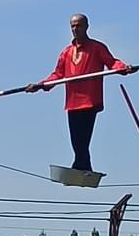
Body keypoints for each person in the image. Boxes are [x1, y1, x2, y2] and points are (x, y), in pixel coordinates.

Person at [26, 13, 133, 172]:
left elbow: (112, 63)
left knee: (82, 140)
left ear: (86, 27)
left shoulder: (97, 48)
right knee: (76, 141)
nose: (75, 29)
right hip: (73, 102)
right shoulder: (66, 52)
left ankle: (81, 168)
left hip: (90, 100)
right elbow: (57, 74)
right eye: (73, 26)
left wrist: (124, 68)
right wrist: (41, 85)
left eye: (79, 25)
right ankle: (83, 168)